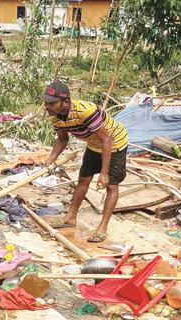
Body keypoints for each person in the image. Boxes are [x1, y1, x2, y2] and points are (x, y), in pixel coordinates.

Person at [43, 80, 129, 243]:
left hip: (114, 143)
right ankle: (70, 217)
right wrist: (50, 159)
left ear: (65, 102)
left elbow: (106, 140)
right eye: (46, 102)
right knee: (83, 179)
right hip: (94, 144)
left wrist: (103, 173)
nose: (47, 106)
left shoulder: (85, 112)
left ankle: (102, 227)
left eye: (52, 103)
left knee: (110, 185)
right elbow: (62, 139)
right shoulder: (55, 117)